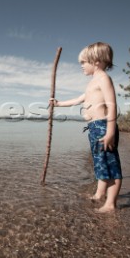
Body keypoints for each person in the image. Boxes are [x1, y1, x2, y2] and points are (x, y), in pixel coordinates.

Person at [50, 42, 122, 213]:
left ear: (96, 61)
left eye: (83, 62)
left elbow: (112, 105)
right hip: (94, 127)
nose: (81, 66)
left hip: (104, 126)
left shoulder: (104, 79)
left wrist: (110, 131)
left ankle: (110, 204)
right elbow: (78, 100)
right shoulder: (92, 82)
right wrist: (58, 104)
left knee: (110, 165)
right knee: (99, 163)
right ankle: (99, 194)